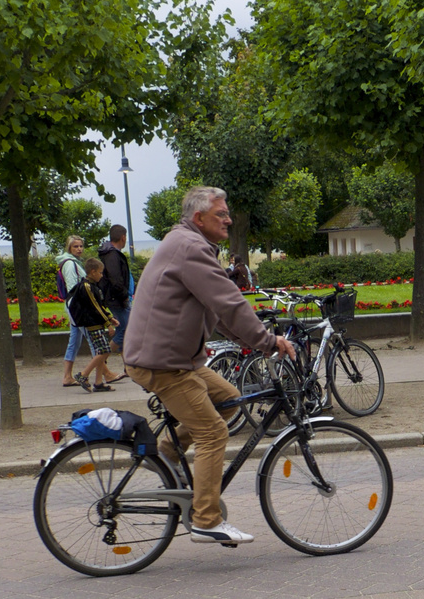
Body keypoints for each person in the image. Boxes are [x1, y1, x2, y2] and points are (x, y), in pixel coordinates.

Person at [122, 186, 297, 546]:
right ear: (199, 218)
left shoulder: (187, 243)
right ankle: (206, 518)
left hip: (175, 358)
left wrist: (252, 341)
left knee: (229, 397)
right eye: (221, 214)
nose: (229, 219)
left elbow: (218, 312)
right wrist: (267, 342)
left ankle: (169, 451)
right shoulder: (190, 248)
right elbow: (230, 302)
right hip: (163, 363)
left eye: (228, 213)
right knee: (212, 432)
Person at [65, 257, 119, 392]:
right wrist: (108, 323)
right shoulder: (87, 287)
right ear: (93, 272)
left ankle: (98, 382)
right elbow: (95, 307)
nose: (102, 275)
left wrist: (109, 318)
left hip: (96, 322)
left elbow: (99, 306)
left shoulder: (92, 286)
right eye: (100, 272)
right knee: (104, 350)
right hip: (92, 323)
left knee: (101, 350)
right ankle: (83, 374)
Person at [97, 225, 134, 382]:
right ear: (123, 237)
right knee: (124, 331)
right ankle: (100, 362)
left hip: (115, 298)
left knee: (125, 332)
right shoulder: (113, 255)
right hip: (117, 299)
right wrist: (124, 295)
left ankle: (128, 367)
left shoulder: (110, 254)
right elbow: (115, 279)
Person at [57, 236, 89, 388]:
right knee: (93, 339)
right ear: (69, 248)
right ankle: (102, 375)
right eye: (76, 246)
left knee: (75, 341)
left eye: (81, 246)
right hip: (78, 308)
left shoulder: (73, 263)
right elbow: (73, 288)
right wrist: (81, 308)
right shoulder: (70, 264)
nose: (79, 249)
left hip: (74, 308)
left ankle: (67, 376)